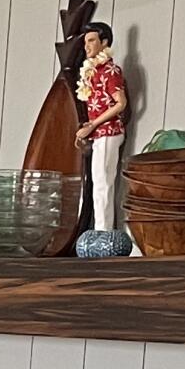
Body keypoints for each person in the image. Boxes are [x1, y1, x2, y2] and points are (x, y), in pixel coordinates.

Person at [73, 23, 129, 230]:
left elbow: (121, 103)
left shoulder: (109, 71)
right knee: (99, 181)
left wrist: (94, 124)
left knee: (103, 182)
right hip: (99, 132)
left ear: (104, 43)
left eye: (91, 40)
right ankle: (100, 229)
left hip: (109, 132)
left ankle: (103, 232)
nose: (87, 46)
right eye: (85, 41)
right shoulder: (94, 71)